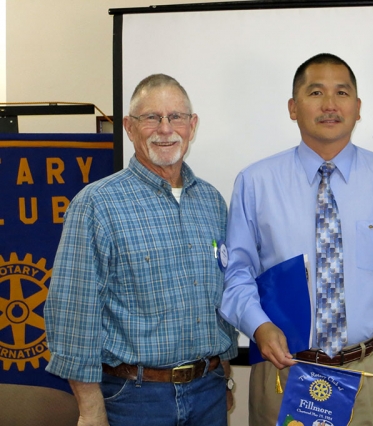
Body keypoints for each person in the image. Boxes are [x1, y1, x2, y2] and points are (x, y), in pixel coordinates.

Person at [220, 53, 373, 425]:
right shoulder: (256, 182)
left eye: (341, 93)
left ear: (358, 108)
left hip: (368, 376)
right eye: (316, 92)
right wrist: (257, 326)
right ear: (293, 108)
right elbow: (237, 273)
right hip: (283, 373)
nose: (330, 104)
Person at [44, 74, 237, 426]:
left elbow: (220, 297)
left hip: (209, 391)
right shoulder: (97, 205)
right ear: (130, 128)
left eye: (176, 116)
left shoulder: (211, 201)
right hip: (135, 399)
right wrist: (90, 410)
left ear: (192, 126)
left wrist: (223, 375)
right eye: (152, 118)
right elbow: (73, 315)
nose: (166, 128)